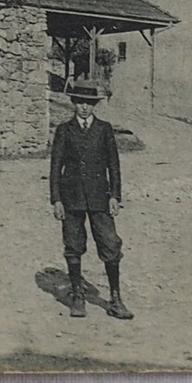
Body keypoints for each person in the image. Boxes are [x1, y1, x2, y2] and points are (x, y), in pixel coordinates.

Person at [49, 82, 132, 320]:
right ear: (73, 104)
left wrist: (115, 195)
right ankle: (77, 295)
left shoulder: (105, 130)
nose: (84, 108)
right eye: (80, 103)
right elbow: (56, 167)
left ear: (95, 106)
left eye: (89, 103)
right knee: (73, 245)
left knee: (110, 244)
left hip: (99, 197)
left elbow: (113, 166)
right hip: (71, 196)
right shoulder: (64, 130)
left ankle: (115, 299)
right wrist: (56, 199)